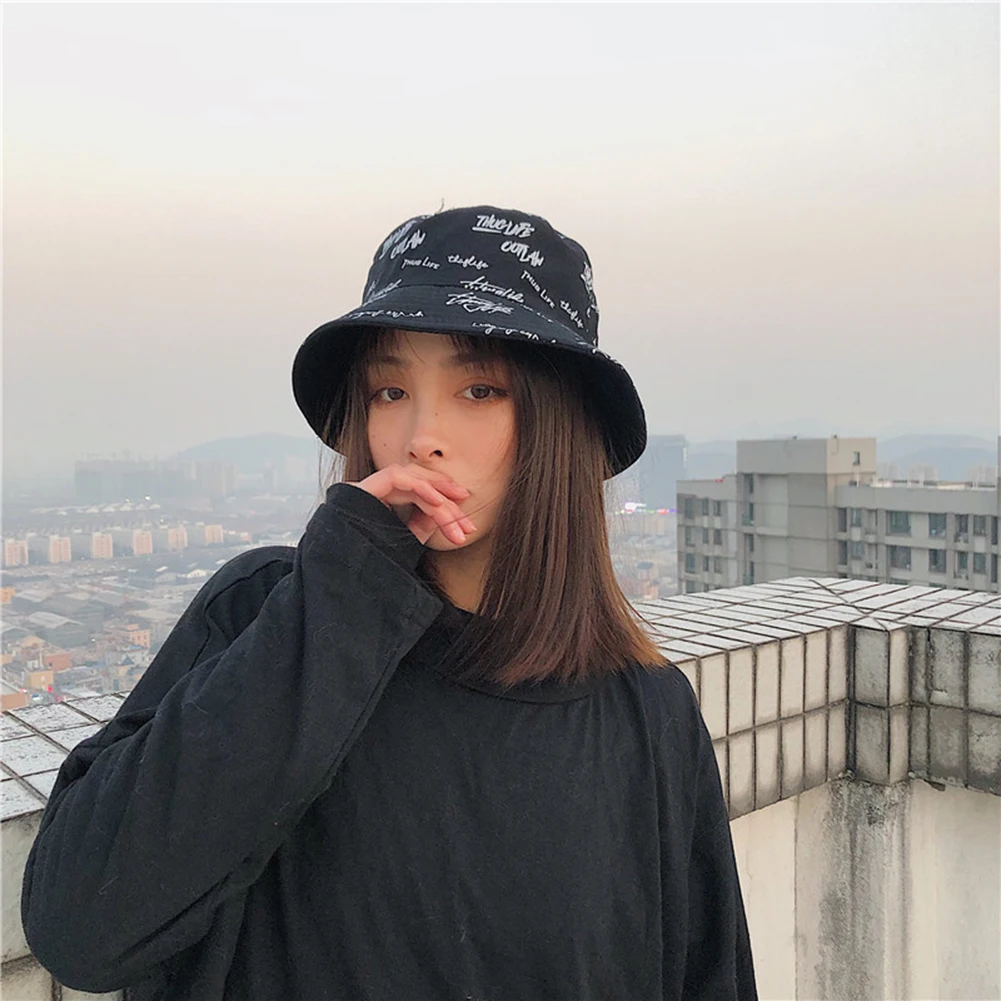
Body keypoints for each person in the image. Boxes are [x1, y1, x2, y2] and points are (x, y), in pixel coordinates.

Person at [21, 205, 758, 1001]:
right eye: (389, 389)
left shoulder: (646, 712)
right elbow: (80, 928)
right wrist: (344, 586)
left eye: (479, 388)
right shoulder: (266, 615)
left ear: (559, 423)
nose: (420, 434)